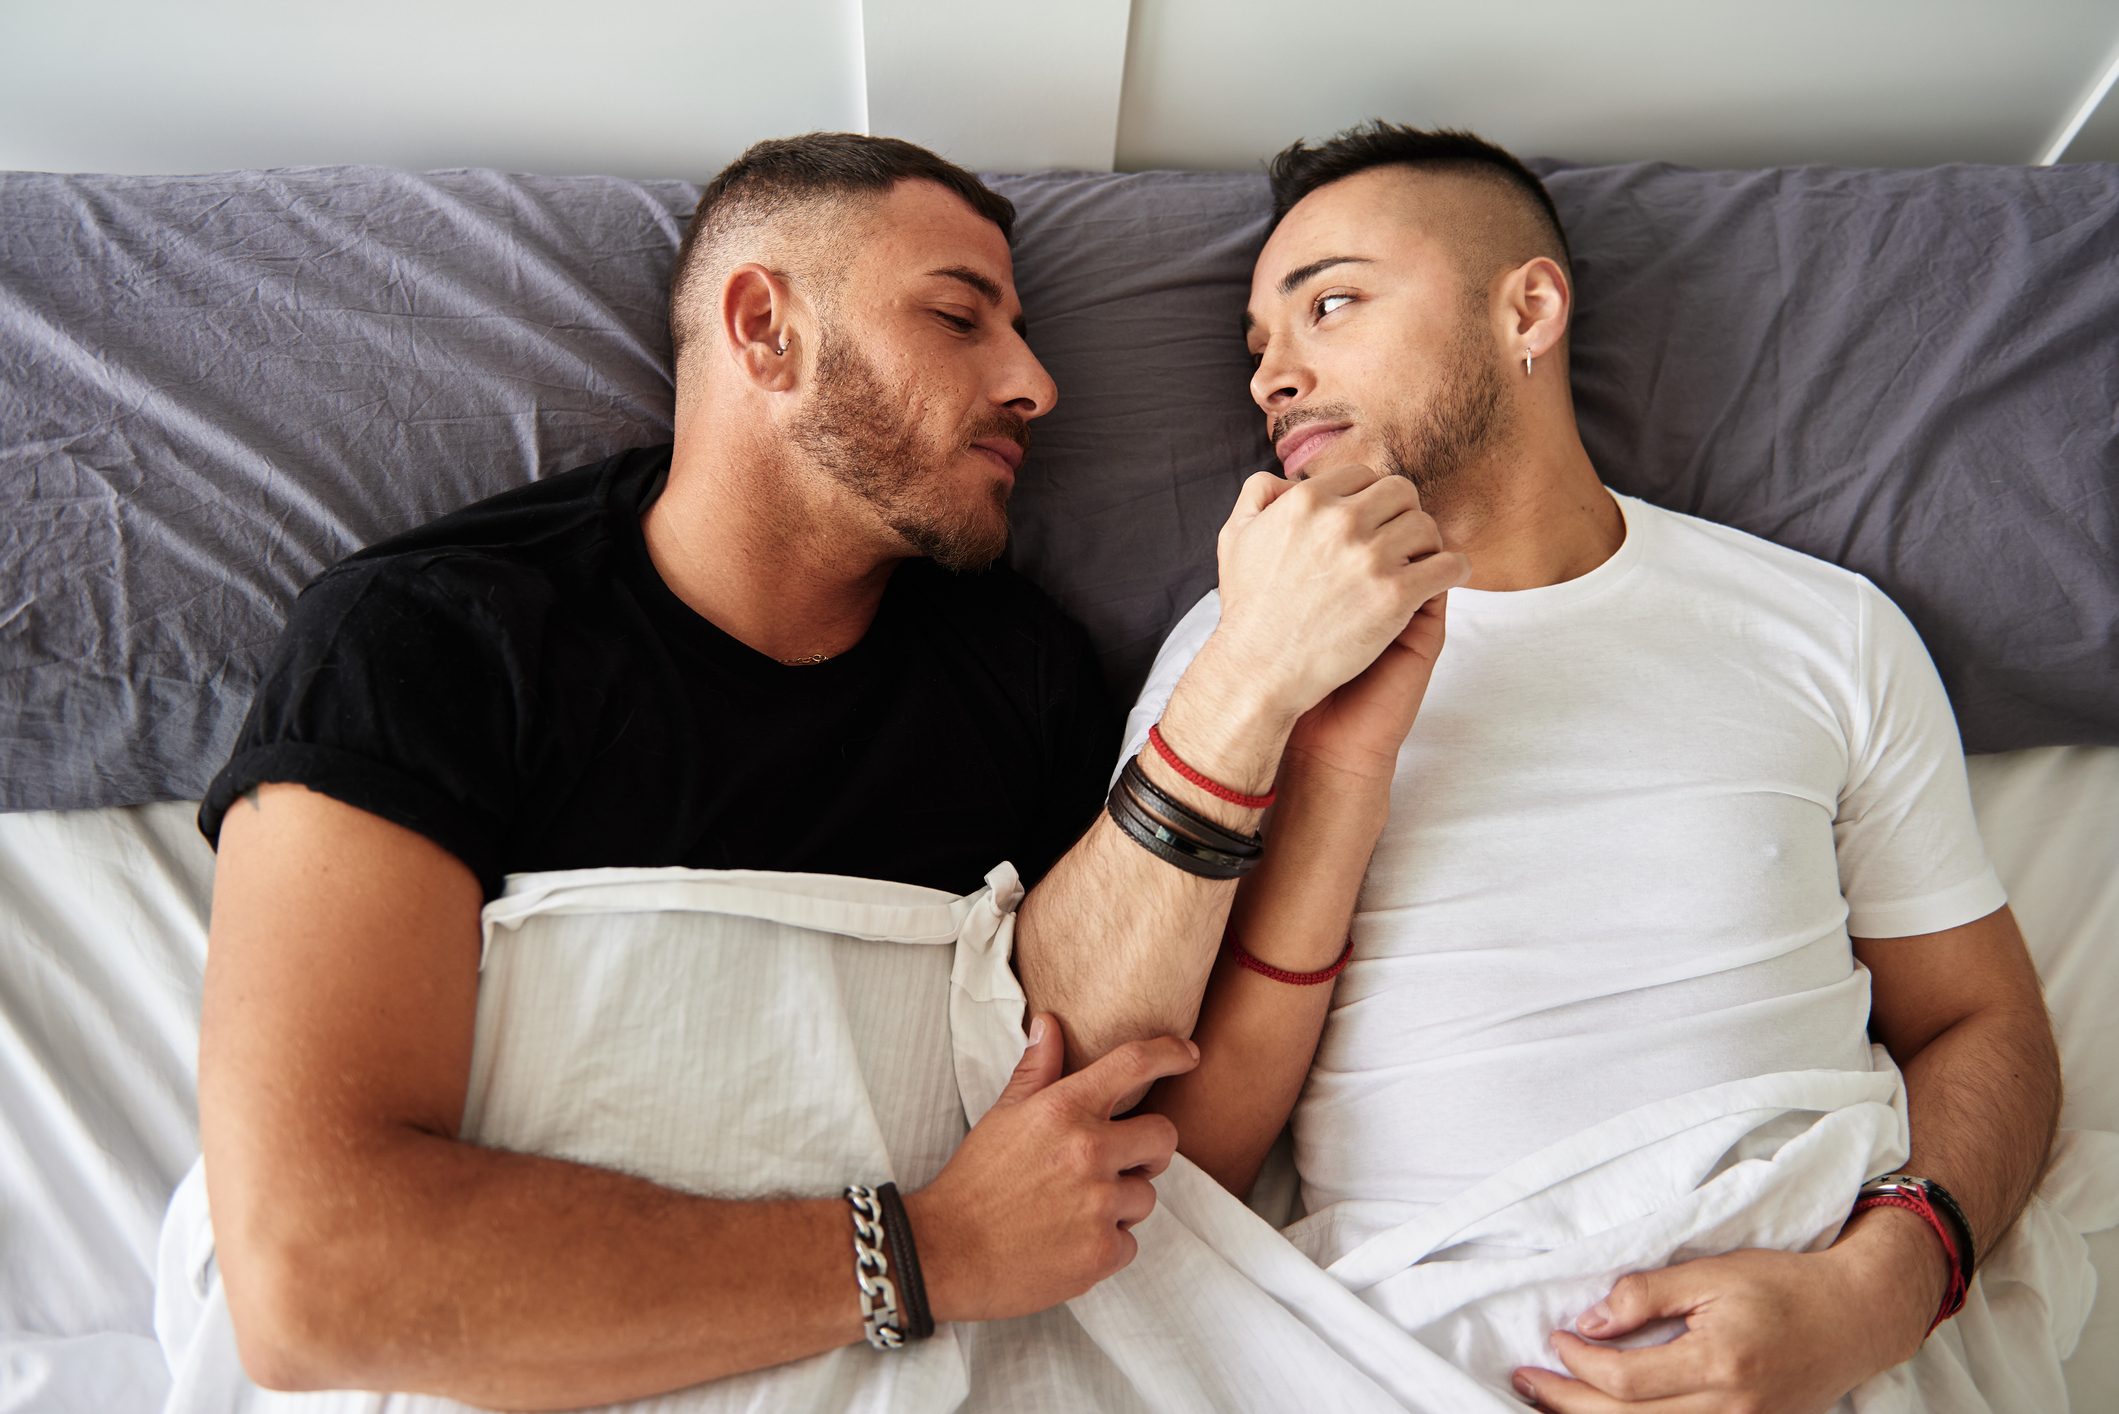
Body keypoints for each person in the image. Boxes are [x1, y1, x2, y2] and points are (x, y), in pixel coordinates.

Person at [186, 131, 1461, 1406]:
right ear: (764, 328)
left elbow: (1117, 1128)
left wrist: (1274, 715)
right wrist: (923, 1250)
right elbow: (316, 1277)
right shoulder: (430, 635)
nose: (1036, 383)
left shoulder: (1023, 672)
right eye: (960, 317)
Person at [1130, 123, 2063, 1413]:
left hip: (1811, 1299)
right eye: (1259, 348)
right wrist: (1317, 745)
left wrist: (1877, 1292)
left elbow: (1984, 1022)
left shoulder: (1822, 628)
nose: (1274, 377)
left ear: (1528, 308)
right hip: (1417, 1338)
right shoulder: (1233, 651)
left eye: (1329, 305)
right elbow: (1194, 1161)